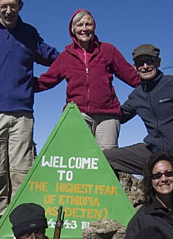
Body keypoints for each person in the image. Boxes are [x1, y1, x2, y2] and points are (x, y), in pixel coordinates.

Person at [0, 0, 59, 225]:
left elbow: (56, 59)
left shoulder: (29, 33)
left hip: (23, 113)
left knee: (22, 172)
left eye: (13, 6)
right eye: (3, 6)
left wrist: (41, 84)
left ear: (21, 6)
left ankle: (24, 226)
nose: (8, 11)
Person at [35, 9, 139, 149]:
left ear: (94, 27)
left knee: (107, 160)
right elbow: (46, 81)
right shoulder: (66, 56)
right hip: (78, 114)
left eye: (88, 24)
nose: (84, 29)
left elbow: (131, 76)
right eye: (80, 25)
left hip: (107, 115)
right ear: (73, 29)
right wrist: (19, 84)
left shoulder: (108, 50)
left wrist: (155, 84)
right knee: (80, 159)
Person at [104, 44, 173, 175]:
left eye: (150, 61)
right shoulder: (137, 95)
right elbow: (119, 116)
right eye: (140, 63)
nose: (145, 66)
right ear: (135, 67)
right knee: (106, 157)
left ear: (158, 62)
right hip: (153, 153)